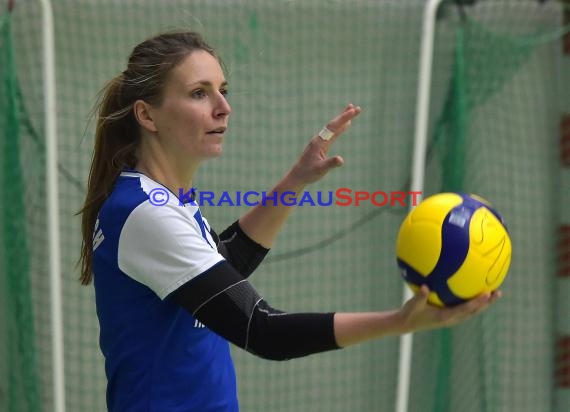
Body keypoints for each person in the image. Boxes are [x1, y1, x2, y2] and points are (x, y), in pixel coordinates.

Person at [79, 31, 501, 412]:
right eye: (199, 93)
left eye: (223, 91)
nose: (224, 108)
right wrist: (399, 322)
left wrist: (297, 178)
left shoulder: (161, 201)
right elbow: (262, 330)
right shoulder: (146, 213)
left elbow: (222, 270)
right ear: (147, 116)